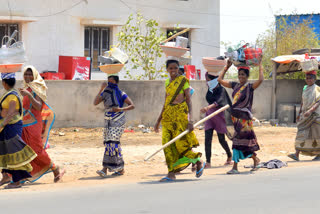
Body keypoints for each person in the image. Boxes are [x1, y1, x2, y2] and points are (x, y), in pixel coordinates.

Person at [154, 59, 205, 182]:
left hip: (180, 118)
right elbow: (166, 102)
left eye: (175, 68)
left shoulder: (183, 81)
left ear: (178, 69)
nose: (173, 71)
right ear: (167, 69)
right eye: (170, 68)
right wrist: (158, 121)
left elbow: (189, 101)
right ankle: (171, 173)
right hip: (167, 118)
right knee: (167, 145)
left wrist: (190, 120)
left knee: (181, 145)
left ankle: (198, 161)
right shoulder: (167, 82)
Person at [18, 66, 65, 183]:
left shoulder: (37, 88)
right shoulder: (27, 88)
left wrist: (28, 95)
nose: (27, 76)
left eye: (30, 74)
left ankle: (55, 167)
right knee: (25, 149)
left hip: (34, 124)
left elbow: (38, 107)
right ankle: (25, 173)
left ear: (34, 75)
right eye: (26, 74)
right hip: (25, 123)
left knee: (36, 149)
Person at [218, 58, 264, 174]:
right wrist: (226, 67)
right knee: (239, 142)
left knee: (242, 142)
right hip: (236, 119)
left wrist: (260, 65)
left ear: (247, 76)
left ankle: (236, 167)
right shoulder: (235, 86)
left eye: (243, 74)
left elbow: (261, 79)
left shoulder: (250, 87)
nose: (241, 77)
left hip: (245, 120)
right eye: (239, 74)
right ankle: (254, 160)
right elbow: (219, 80)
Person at [0, 73, 37, 189]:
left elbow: (10, 113)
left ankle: (17, 180)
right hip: (6, 127)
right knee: (5, 151)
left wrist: (2, 124)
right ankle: (6, 175)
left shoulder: (12, 96)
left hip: (11, 126)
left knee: (14, 152)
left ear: (4, 83)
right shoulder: (8, 94)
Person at [94, 74, 135, 177]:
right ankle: (120, 168)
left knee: (112, 143)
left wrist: (120, 109)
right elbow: (95, 102)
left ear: (116, 82)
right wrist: (101, 89)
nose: (110, 84)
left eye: (112, 82)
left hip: (118, 119)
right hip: (108, 119)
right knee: (112, 144)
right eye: (109, 82)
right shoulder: (105, 93)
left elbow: (132, 105)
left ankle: (105, 169)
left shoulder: (121, 93)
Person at [200, 72, 233, 168]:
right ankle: (208, 162)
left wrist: (208, 107)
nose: (207, 81)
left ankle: (229, 156)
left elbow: (220, 101)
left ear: (213, 80)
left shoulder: (221, 89)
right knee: (207, 138)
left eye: (208, 79)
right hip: (209, 115)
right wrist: (208, 109)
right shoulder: (210, 90)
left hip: (219, 115)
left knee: (221, 139)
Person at [288, 70, 320, 161]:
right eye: (307, 78)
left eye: (310, 78)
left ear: (315, 79)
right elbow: (303, 102)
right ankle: (296, 154)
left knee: (316, 135)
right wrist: (299, 113)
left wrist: (310, 111)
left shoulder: (317, 89)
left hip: (315, 116)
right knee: (301, 132)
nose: (308, 80)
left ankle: (318, 154)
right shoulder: (305, 88)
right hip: (304, 115)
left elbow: (318, 101)